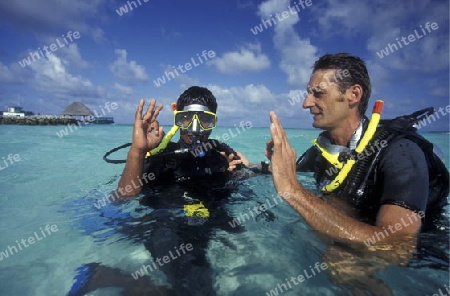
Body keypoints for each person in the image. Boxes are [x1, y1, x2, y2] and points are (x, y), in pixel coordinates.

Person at [265, 53, 449, 294]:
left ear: (353, 95)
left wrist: (293, 191)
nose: (306, 103)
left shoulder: (401, 152)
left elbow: (398, 250)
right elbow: (287, 170)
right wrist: (254, 167)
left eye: (317, 93)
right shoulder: (322, 151)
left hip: (425, 253)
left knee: (342, 263)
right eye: (308, 93)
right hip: (358, 228)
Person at [68, 86, 253, 296]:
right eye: (186, 119)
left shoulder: (220, 157)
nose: (195, 128)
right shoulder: (162, 156)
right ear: (177, 117)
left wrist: (243, 172)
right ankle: (112, 277)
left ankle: (108, 276)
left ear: (214, 121)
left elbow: (233, 187)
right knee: (195, 286)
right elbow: (124, 197)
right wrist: (138, 151)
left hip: (204, 222)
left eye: (205, 120)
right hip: (166, 223)